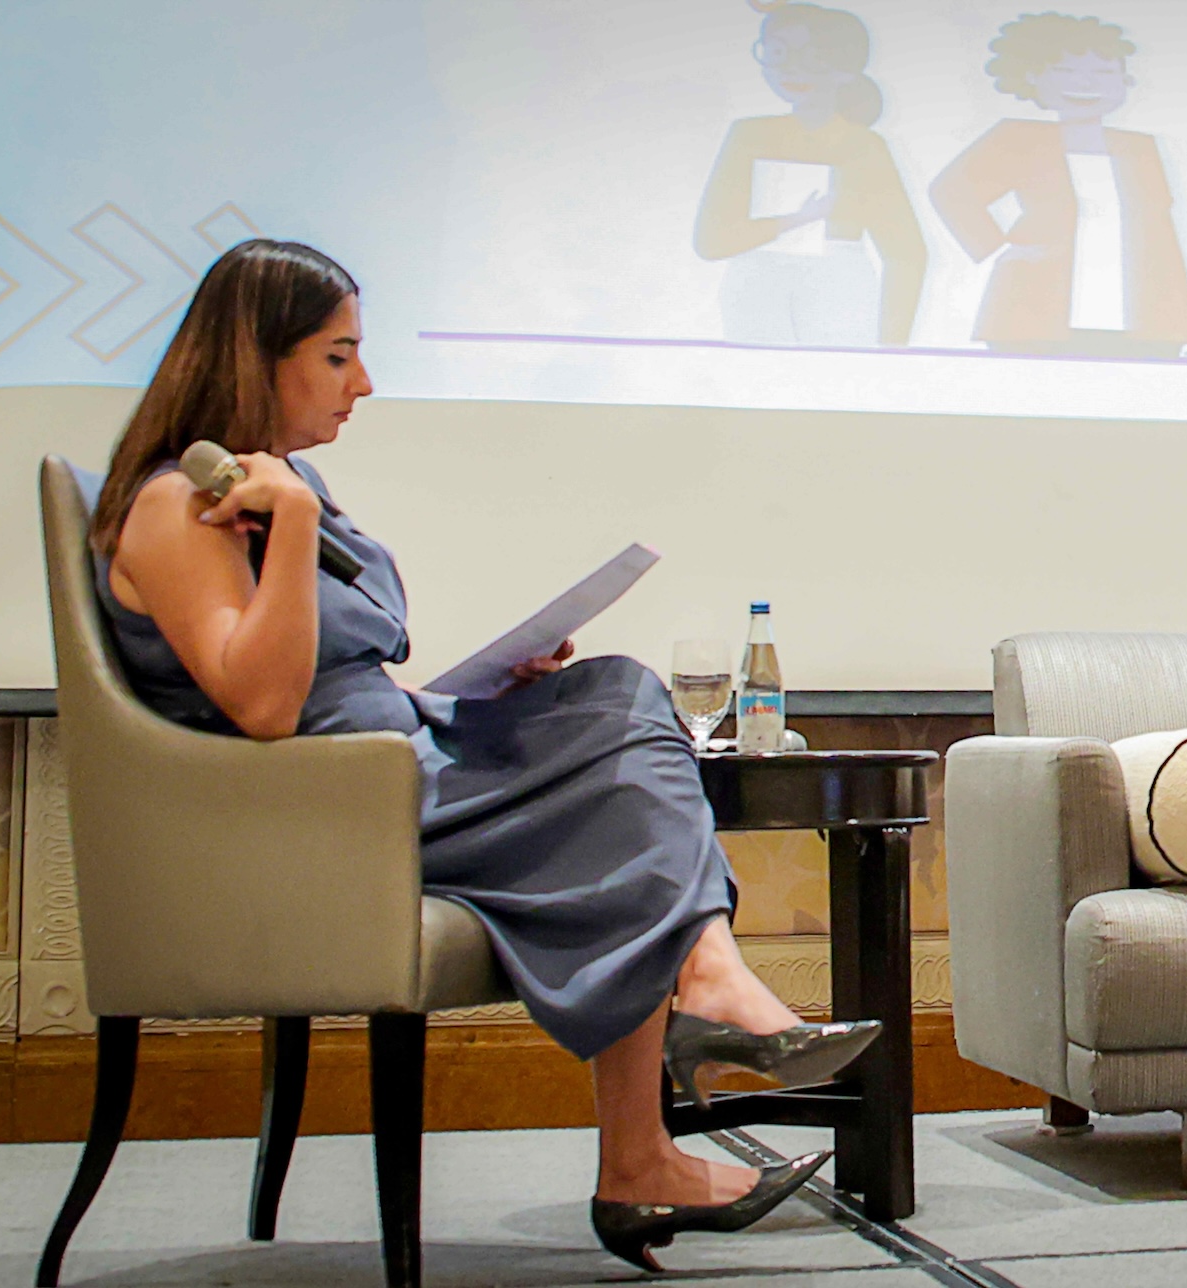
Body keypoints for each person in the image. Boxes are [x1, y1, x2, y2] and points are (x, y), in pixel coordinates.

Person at [86, 240, 878, 1271]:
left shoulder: (285, 484)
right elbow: (269, 707)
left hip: (393, 754)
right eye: (338, 355)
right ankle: (681, 1055)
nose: (362, 382)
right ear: (255, 355)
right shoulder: (174, 507)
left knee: (615, 693)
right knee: (623, 777)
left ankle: (684, 1048)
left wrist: (473, 686)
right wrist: (289, 525)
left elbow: (338, 680)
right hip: (329, 809)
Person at [928, 12, 1187, 358]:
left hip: (1136, 315)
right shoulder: (1019, 137)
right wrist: (999, 250)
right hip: (1037, 310)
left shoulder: (1139, 148)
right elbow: (951, 192)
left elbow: (1159, 230)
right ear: (1032, 76)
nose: (1086, 85)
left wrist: (1173, 317)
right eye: (1065, 72)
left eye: (1104, 73)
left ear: (1125, 80)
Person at [693, 2, 927, 348]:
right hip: (759, 282)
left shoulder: (864, 146)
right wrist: (797, 219)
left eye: (812, 56)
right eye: (777, 52)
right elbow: (712, 241)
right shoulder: (750, 135)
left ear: (846, 67)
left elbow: (905, 253)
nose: (791, 68)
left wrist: (893, 346)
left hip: (839, 286)